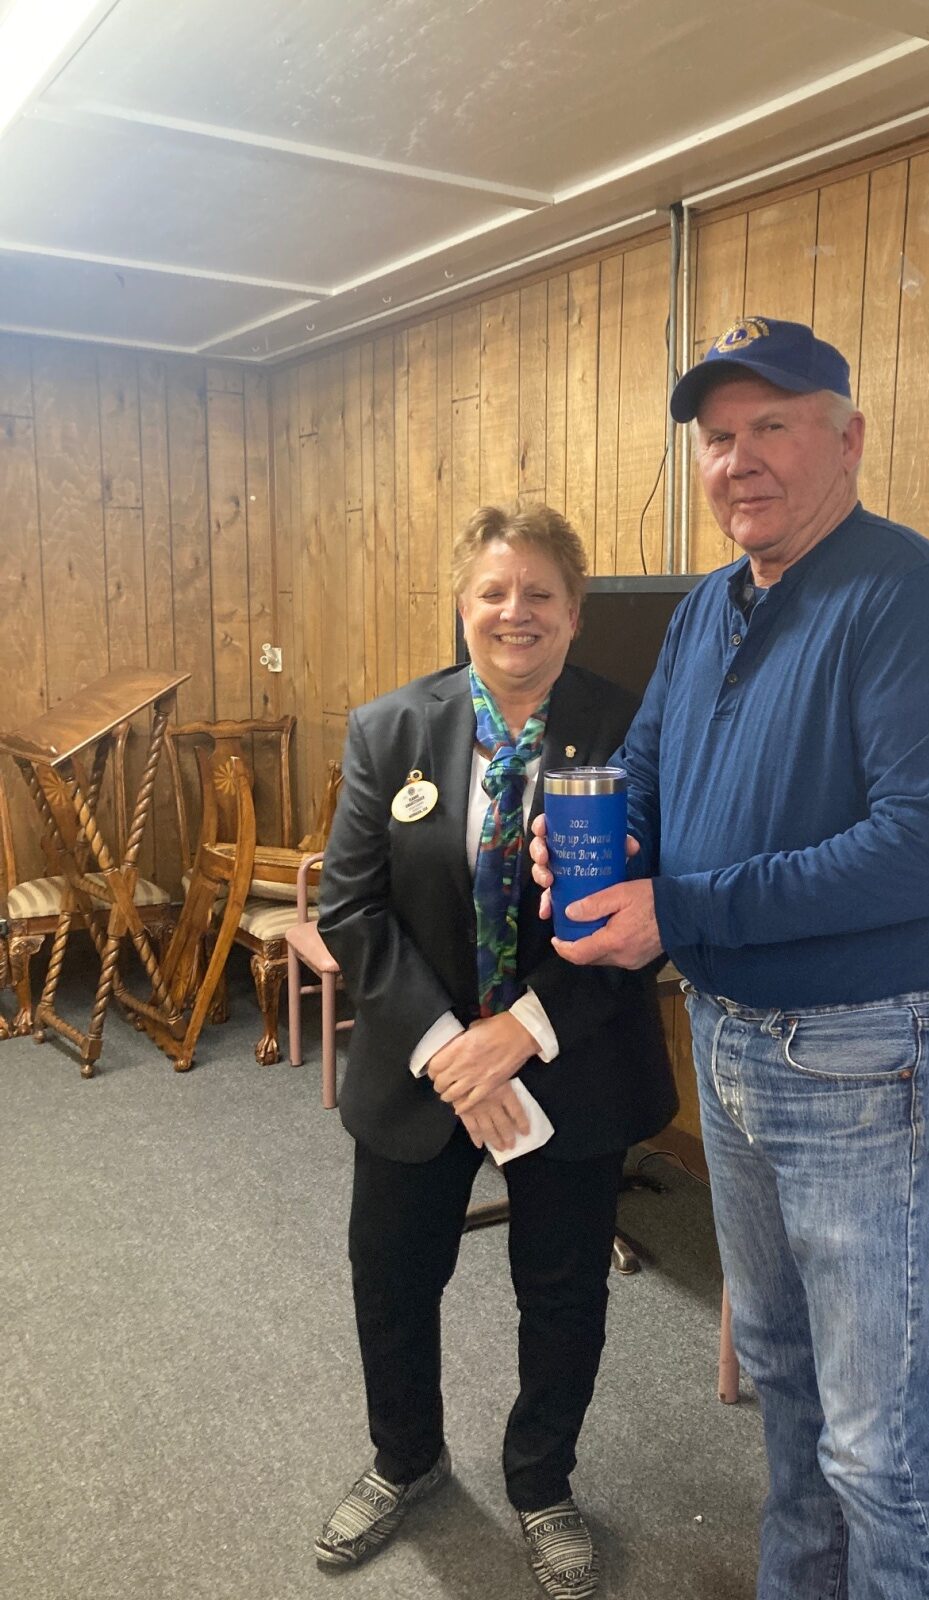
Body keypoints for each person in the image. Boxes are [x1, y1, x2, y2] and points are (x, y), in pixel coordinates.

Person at [531, 318, 929, 1600]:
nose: (739, 458)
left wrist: (676, 908)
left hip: (859, 1061)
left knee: (874, 1443)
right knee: (787, 1385)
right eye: (717, 437)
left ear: (847, 439)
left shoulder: (919, 603)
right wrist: (589, 841)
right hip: (735, 1045)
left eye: (773, 427)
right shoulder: (709, 608)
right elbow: (645, 773)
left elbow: (926, 854)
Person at [316, 502, 677, 1599]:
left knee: (563, 1290)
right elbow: (351, 910)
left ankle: (542, 1483)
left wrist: (520, 1034)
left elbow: (644, 915)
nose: (515, 611)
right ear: (462, 604)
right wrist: (453, 1051)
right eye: (493, 591)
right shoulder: (390, 729)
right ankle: (405, 1458)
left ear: (575, 612)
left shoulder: (633, 732)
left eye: (541, 593)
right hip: (421, 1065)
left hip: (573, 1057)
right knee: (391, 1275)